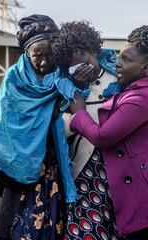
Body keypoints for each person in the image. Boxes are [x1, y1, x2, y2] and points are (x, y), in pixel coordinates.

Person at [68, 25, 148, 240]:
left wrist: (79, 112)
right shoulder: (133, 90)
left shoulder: (141, 99)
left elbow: (103, 136)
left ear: (146, 68)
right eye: (119, 57)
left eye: (127, 60)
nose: (118, 63)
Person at [0, 15, 76, 240]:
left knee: (43, 226)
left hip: (48, 165)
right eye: (36, 56)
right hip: (15, 164)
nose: (43, 61)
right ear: (26, 54)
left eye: (49, 54)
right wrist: (49, 113)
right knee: (5, 224)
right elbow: (6, 121)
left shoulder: (63, 75)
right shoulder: (14, 77)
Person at [50, 20, 123, 240]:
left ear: (95, 50)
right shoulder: (65, 87)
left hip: (119, 168)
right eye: (76, 67)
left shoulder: (119, 78)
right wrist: (75, 99)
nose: (85, 71)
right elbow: (57, 128)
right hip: (86, 170)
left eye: (87, 62)